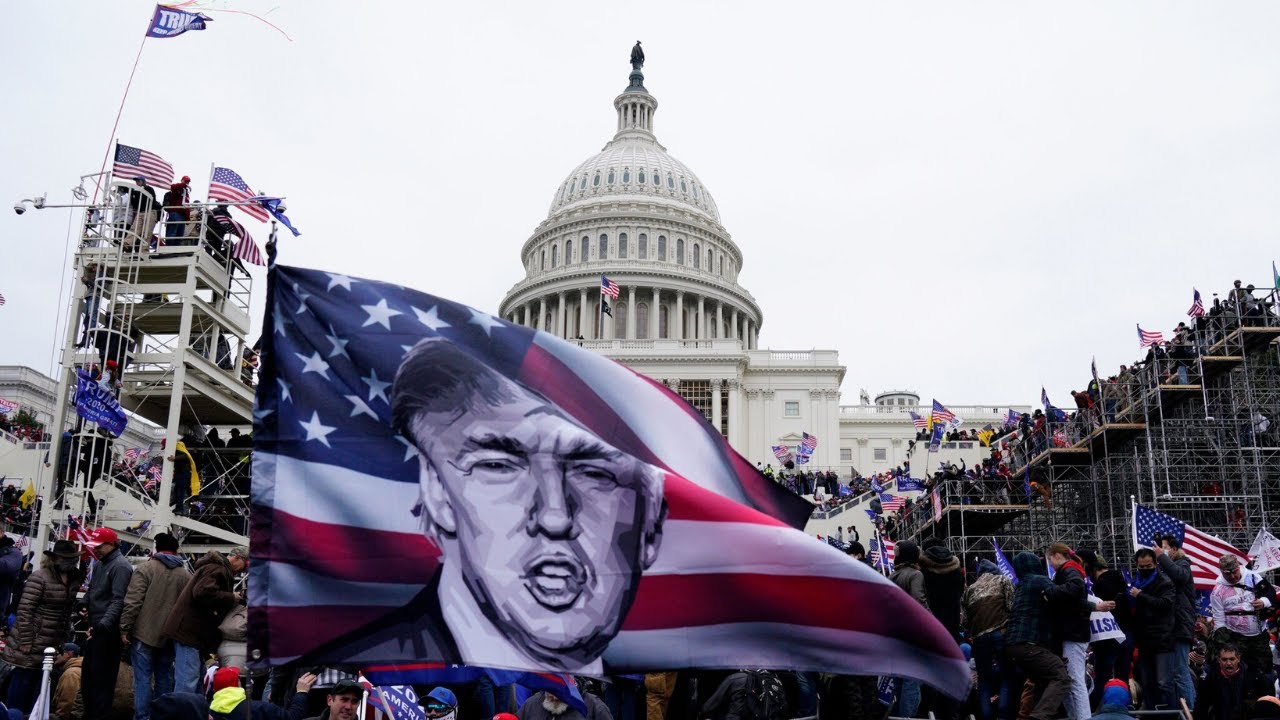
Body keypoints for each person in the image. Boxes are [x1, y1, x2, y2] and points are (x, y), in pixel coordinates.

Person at [326, 338, 668, 673]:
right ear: (436, 490)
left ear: (652, 523)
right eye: (498, 466)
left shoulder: (644, 691)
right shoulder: (366, 672)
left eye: (594, 472)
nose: (554, 516)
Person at [1, 540, 82, 713]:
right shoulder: (39, 577)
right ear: (55, 558)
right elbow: (25, 610)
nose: (69, 561)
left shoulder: (75, 578)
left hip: (52, 640)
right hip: (32, 639)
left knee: (39, 687)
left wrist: (63, 638)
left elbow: (67, 611)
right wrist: (26, 640)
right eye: (65, 558)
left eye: (71, 558)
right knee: (23, 683)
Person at [121, 531, 192, 720]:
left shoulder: (146, 569)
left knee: (142, 680)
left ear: (157, 548)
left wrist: (125, 628)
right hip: (170, 635)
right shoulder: (185, 575)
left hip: (143, 632)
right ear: (176, 550)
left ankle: (142, 717)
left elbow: (133, 601)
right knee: (164, 678)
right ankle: (162, 716)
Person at [162, 547, 248, 693]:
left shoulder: (214, 568)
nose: (243, 571)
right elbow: (202, 592)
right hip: (190, 632)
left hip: (192, 632)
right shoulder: (217, 569)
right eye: (245, 565)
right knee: (187, 683)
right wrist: (231, 597)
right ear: (237, 558)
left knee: (195, 682)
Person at [1003, 551, 1071, 720]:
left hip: (1013, 645)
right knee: (1060, 676)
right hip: (1029, 644)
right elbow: (1064, 596)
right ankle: (1039, 716)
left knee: (1042, 681)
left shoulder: (1020, 585)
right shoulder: (1040, 580)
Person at [81, 526, 134, 720]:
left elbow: (119, 599)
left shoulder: (121, 566)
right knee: (88, 678)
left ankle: (99, 716)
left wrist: (104, 624)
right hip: (96, 626)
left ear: (111, 545)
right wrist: (84, 602)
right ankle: (90, 714)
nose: (95, 549)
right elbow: (93, 589)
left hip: (107, 631)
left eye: (99, 546)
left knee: (102, 679)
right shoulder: (100, 563)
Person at [1209, 554, 1276, 681]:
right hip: (1236, 637)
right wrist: (1224, 641)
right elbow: (1219, 618)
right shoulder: (1217, 591)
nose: (1232, 576)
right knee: (1241, 674)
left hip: (1259, 635)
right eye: (1227, 574)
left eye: (1234, 572)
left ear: (1238, 567)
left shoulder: (1252, 577)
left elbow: (1270, 592)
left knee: (1265, 673)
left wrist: (1263, 601)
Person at [1080, 551, 1134, 709]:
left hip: (1105, 635)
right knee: (1123, 676)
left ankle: (1094, 710)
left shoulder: (1098, 586)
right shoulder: (1124, 583)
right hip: (1126, 635)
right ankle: (1125, 707)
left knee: (1102, 676)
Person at [963, 559, 1015, 720]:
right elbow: (1012, 606)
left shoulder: (970, 589)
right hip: (1001, 633)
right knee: (1008, 675)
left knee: (984, 680)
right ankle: (1003, 715)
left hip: (979, 639)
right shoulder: (1002, 580)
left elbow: (965, 620)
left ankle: (985, 716)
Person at [1044, 543, 1090, 720]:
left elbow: (1075, 588)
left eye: (1050, 560)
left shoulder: (1069, 571)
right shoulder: (1072, 569)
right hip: (1073, 631)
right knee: (1071, 679)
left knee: (1075, 680)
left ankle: (1083, 717)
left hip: (1074, 633)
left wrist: (1051, 591)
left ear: (1056, 555)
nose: (1050, 564)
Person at [1128, 548, 1176, 709]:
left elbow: (1165, 604)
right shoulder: (1136, 582)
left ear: (1155, 564)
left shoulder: (1164, 582)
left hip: (1162, 639)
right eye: (1142, 567)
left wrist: (1141, 595)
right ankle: (1152, 712)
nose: (1145, 569)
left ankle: (1171, 714)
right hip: (1144, 639)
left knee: (1164, 682)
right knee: (1147, 682)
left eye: (1148, 566)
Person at [1155, 535, 1197, 707]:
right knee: (1171, 674)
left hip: (1180, 625)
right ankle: (1181, 708)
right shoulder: (1165, 570)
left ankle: (1191, 711)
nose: (1160, 551)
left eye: (1164, 548)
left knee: (1180, 671)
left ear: (1173, 549)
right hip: (1170, 627)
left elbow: (1179, 576)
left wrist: (1161, 557)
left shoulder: (1183, 564)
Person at [889, 540, 925, 717]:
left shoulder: (891, 577)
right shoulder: (915, 575)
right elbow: (919, 602)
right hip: (911, 635)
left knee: (900, 684)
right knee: (912, 682)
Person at [1194, 644, 1270, 720]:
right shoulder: (1211, 679)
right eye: (1224, 659)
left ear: (1238, 659)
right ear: (1219, 660)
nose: (1228, 663)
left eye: (1232, 659)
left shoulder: (1252, 678)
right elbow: (1201, 706)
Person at [207, 667, 316, 720]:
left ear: (215, 690)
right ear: (238, 684)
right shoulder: (259, 708)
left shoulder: (207, 713)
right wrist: (301, 692)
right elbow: (292, 717)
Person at [517, 689, 614, 720]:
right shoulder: (531, 704)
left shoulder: (594, 706)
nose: (554, 697)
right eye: (551, 691)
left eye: (560, 693)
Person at [52, 642, 83, 720]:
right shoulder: (77, 668)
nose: (55, 657)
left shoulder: (71, 674)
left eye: (58, 653)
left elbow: (68, 703)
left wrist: (60, 716)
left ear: (69, 654)